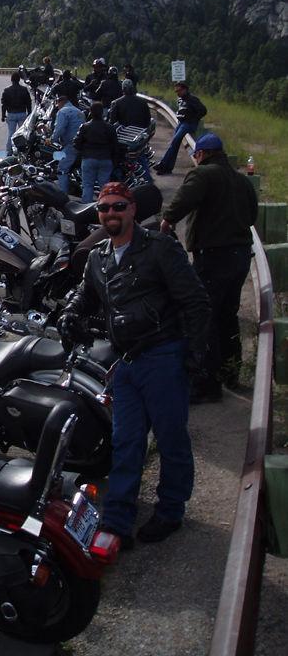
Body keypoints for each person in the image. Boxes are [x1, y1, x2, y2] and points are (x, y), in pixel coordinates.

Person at [59, 182, 211, 548]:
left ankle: (170, 511)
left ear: (132, 210)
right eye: (104, 208)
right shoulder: (99, 257)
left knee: (171, 439)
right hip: (126, 363)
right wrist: (70, 313)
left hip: (163, 356)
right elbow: (87, 294)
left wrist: (194, 354)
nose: (111, 213)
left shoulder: (160, 248)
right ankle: (117, 521)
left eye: (118, 206)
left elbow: (196, 302)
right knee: (125, 443)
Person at [160, 133, 258, 403]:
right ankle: (231, 372)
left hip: (213, 257)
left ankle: (206, 382)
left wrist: (167, 221)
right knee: (229, 315)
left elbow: (183, 200)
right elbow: (252, 215)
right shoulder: (242, 181)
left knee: (206, 317)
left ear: (201, 154)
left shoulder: (203, 175)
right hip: (239, 257)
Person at [155, 82, 207, 175]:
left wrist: (193, 119)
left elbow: (203, 110)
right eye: (176, 92)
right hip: (182, 123)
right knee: (174, 143)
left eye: (180, 91)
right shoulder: (181, 99)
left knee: (175, 142)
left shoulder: (192, 99)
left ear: (185, 89)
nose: (178, 93)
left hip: (188, 124)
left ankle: (164, 164)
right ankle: (168, 166)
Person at [109, 78, 154, 183]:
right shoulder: (142, 102)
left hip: (125, 137)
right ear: (133, 88)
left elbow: (112, 122)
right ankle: (148, 180)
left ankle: (130, 181)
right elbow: (148, 119)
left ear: (123, 89)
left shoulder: (117, 102)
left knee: (124, 160)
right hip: (140, 134)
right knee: (142, 158)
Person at [73, 101, 118, 203]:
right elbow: (115, 146)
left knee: (87, 185)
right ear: (102, 112)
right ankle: (105, 206)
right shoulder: (110, 128)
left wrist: (83, 151)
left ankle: (86, 208)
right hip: (105, 158)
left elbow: (76, 143)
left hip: (89, 158)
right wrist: (114, 160)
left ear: (90, 112)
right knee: (104, 186)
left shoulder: (85, 127)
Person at [47, 95, 85, 195]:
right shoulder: (79, 111)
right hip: (81, 144)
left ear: (59, 104)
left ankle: (63, 196)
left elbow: (59, 129)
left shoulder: (62, 112)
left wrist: (50, 140)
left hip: (71, 145)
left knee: (62, 169)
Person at [1, 71, 32, 155]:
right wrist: (29, 114)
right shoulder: (24, 90)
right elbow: (28, 103)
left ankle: (9, 151)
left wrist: (3, 115)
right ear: (19, 80)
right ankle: (22, 150)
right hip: (22, 113)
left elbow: (4, 104)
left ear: (11, 80)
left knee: (11, 133)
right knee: (23, 133)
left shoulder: (7, 90)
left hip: (11, 114)